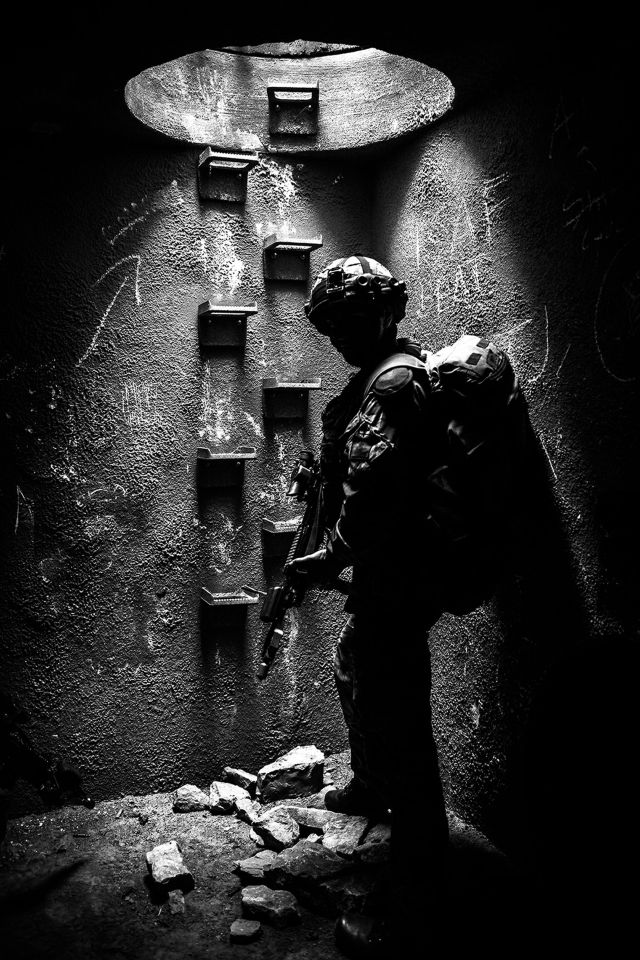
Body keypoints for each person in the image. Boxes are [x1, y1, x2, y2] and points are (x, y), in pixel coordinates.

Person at [286, 256, 450, 956]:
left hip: (399, 575)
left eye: (350, 322)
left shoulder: (394, 381)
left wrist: (332, 554)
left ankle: (420, 888)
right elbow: (354, 468)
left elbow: (379, 492)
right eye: (334, 328)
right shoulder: (379, 377)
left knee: (400, 715)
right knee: (357, 668)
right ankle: (368, 782)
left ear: (382, 313)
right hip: (386, 577)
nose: (341, 338)